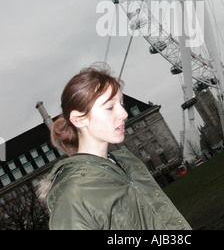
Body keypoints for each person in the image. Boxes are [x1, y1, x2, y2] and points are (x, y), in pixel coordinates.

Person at [43, 64, 192, 230]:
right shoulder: (72, 193)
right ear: (79, 119)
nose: (124, 113)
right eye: (110, 107)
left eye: (121, 103)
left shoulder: (128, 163)